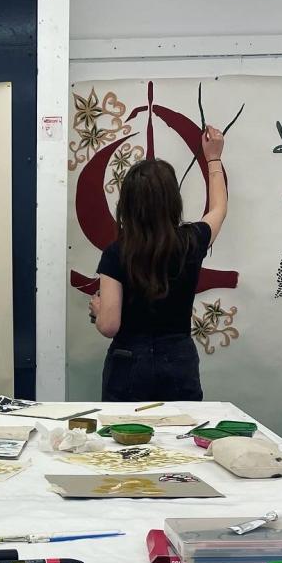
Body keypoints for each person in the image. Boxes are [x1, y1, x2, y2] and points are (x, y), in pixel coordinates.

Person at [88, 126, 228, 402]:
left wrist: (99, 309)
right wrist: (213, 158)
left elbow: (109, 326)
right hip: (178, 358)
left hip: (128, 361)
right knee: (180, 429)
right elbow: (219, 209)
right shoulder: (192, 240)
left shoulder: (116, 253)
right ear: (173, 201)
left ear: (127, 204)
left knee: (123, 430)